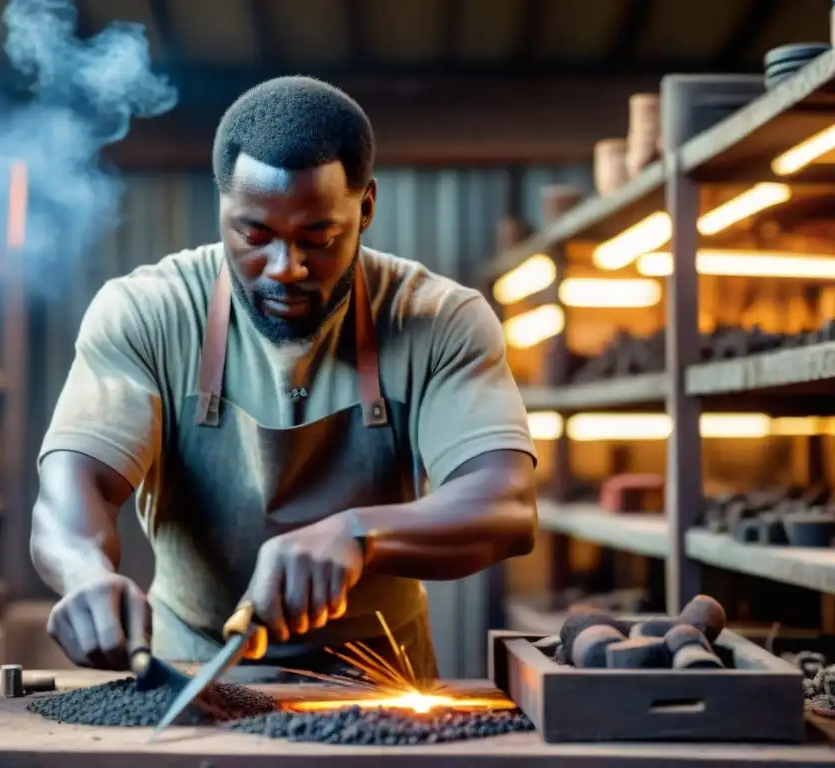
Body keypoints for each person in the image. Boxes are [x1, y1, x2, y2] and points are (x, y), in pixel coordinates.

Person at [32, 75, 538, 681]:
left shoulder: (438, 318)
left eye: (317, 238)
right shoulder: (147, 311)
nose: (286, 268)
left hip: (380, 685)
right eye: (254, 236)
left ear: (366, 208)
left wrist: (358, 534)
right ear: (221, 205)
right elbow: (72, 486)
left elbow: (505, 505)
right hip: (191, 672)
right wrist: (85, 572)